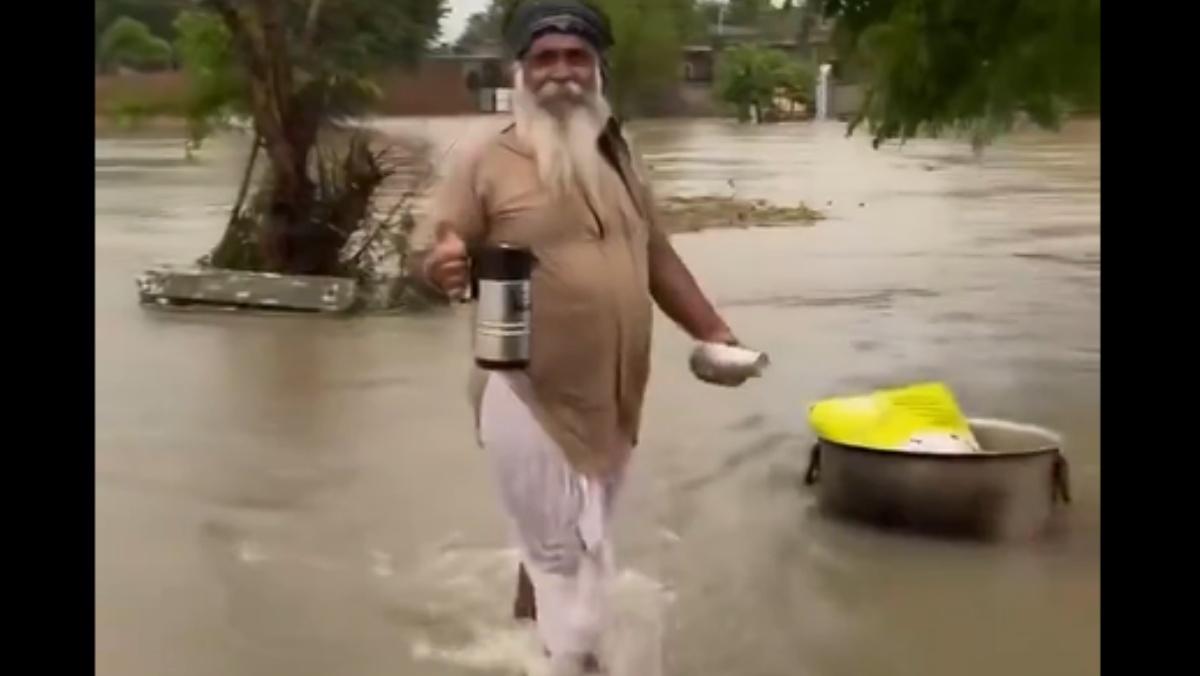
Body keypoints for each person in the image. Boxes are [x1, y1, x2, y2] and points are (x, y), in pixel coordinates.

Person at [421, 1, 749, 671]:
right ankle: (572, 659)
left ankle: (525, 634)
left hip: (617, 398)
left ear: (598, 69)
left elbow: (656, 255)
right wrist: (441, 262)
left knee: (570, 544)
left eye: (576, 57)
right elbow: (437, 246)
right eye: (545, 58)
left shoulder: (620, 157)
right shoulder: (488, 161)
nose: (561, 72)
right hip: (527, 391)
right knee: (569, 563)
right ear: (521, 71)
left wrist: (713, 329)